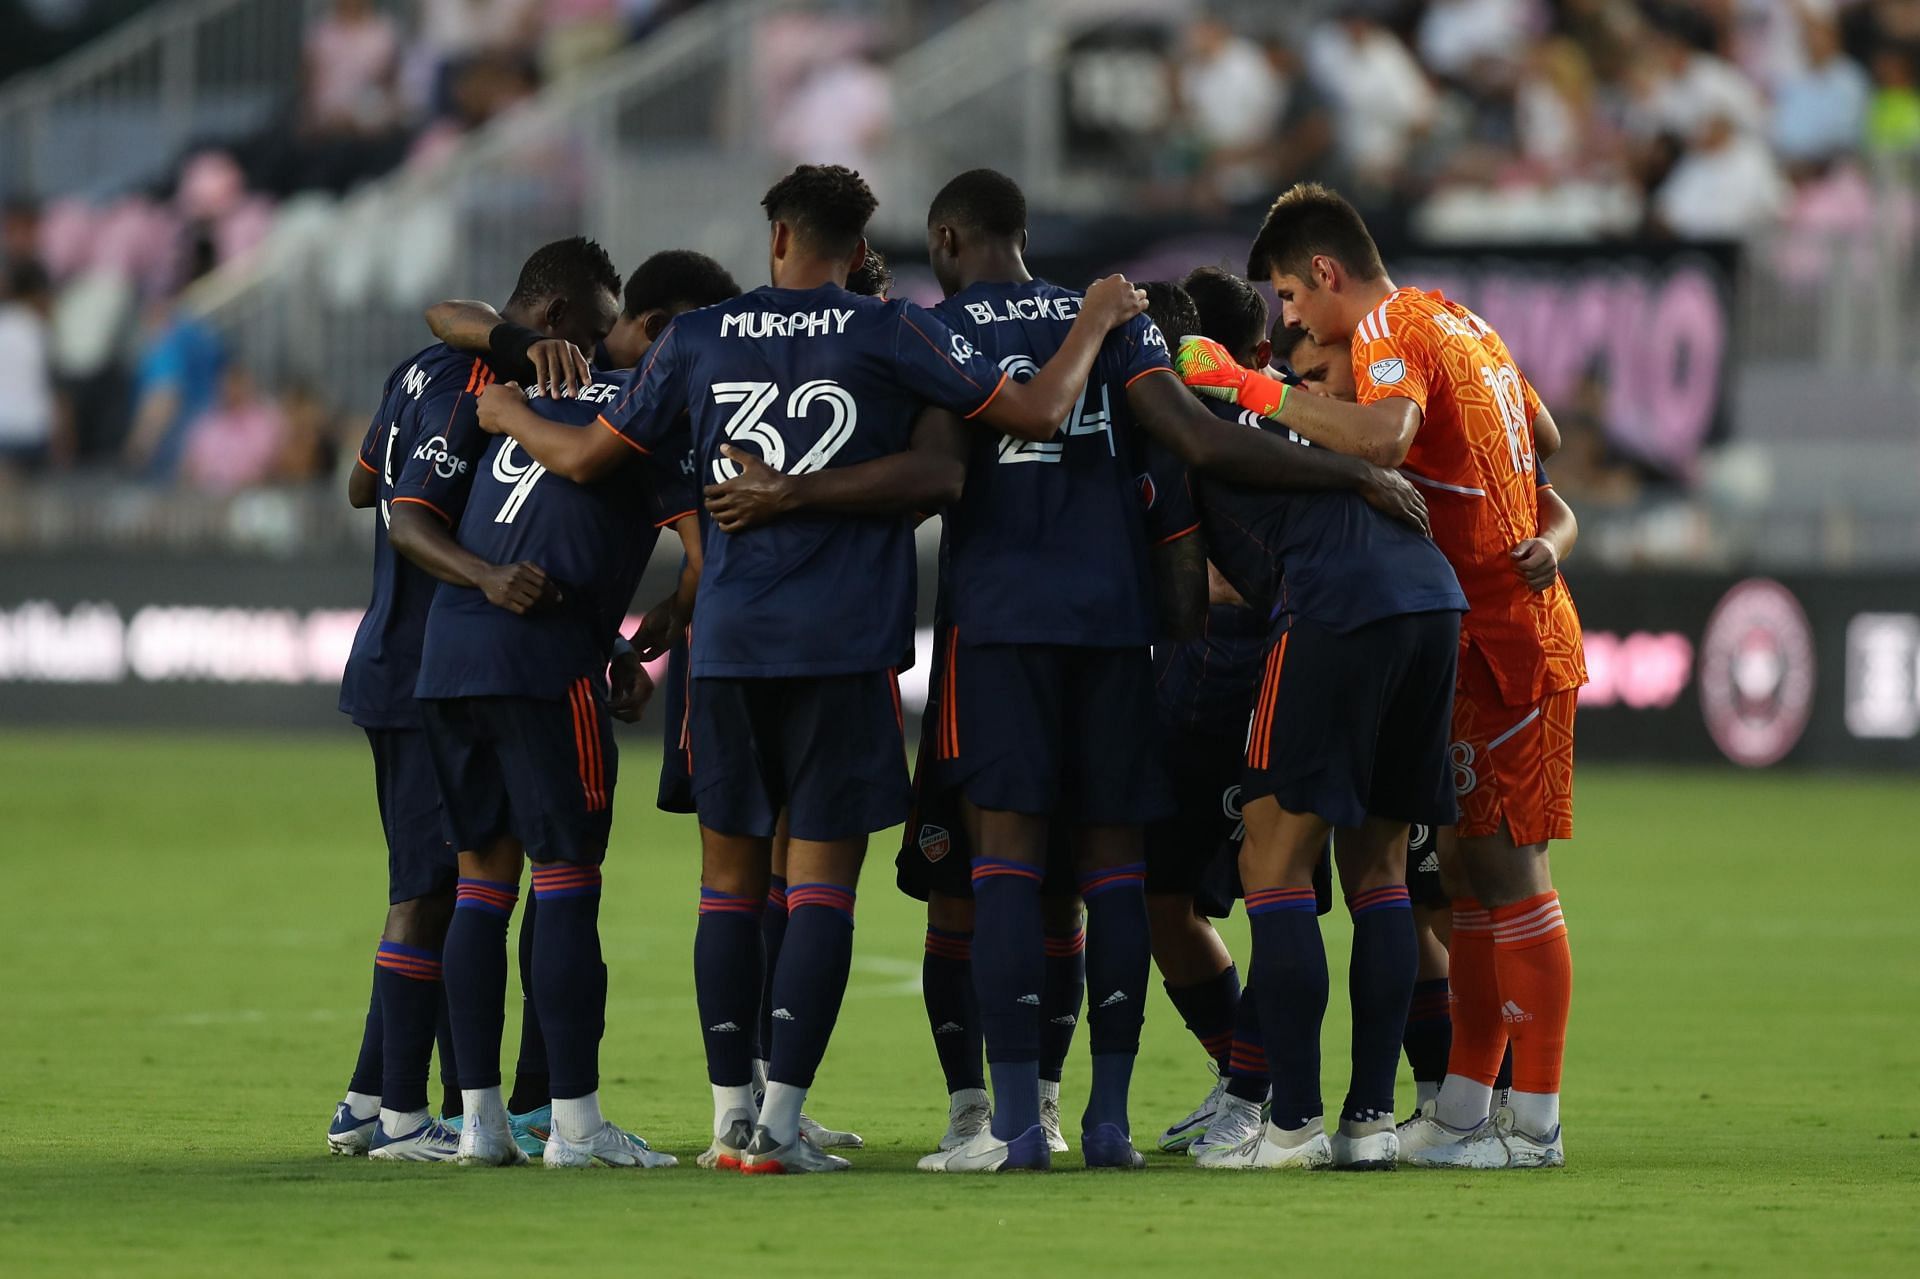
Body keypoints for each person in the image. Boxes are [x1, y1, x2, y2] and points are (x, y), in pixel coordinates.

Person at [476, 163, 1153, 1174]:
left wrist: (507, 417)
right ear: (855, 245)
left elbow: (584, 460)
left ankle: (726, 1121)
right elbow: (1018, 424)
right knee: (822, 890)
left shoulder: (702, 336)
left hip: (734, 649)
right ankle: (781, 1126)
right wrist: (1094, 321)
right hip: (845, 648)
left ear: (779, 236)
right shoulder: (897, 331)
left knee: (729, 886)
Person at [1178, 181, 1586, 1169]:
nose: (1288, 323)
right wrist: (1541, 526)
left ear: (1326, 274)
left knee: (1503, 874)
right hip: (1467, 622)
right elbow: (1541, 441)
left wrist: (1251, 386)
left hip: (1494, 632)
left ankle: (1528, 1124)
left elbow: (1385, 441)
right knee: (1465, 878)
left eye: (1289, 297)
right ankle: (1456, 1113)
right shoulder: (1465, 321)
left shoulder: (1394, 323)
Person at [330, 237, 624, 1163]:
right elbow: (417, 516)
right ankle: (405, 1113)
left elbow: (360, 484)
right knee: (432, 887)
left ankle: (376, 1097)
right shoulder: (486, 390)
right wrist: (491, 577)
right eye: (603, 329)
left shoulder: (424, 370)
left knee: (446, 882)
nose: (609, 351)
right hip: (439, 662)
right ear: (560, 323)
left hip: (397, 657)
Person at [419, 362, 696, 1169]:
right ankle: (576, 1125)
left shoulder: (532, 400)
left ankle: (479, 1123)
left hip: (448, 660)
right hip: (541, 668)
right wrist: (675, 611)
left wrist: (608, 638)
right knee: (569, 883)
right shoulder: (656, 403)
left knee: (480, 888)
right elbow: (703, 553)